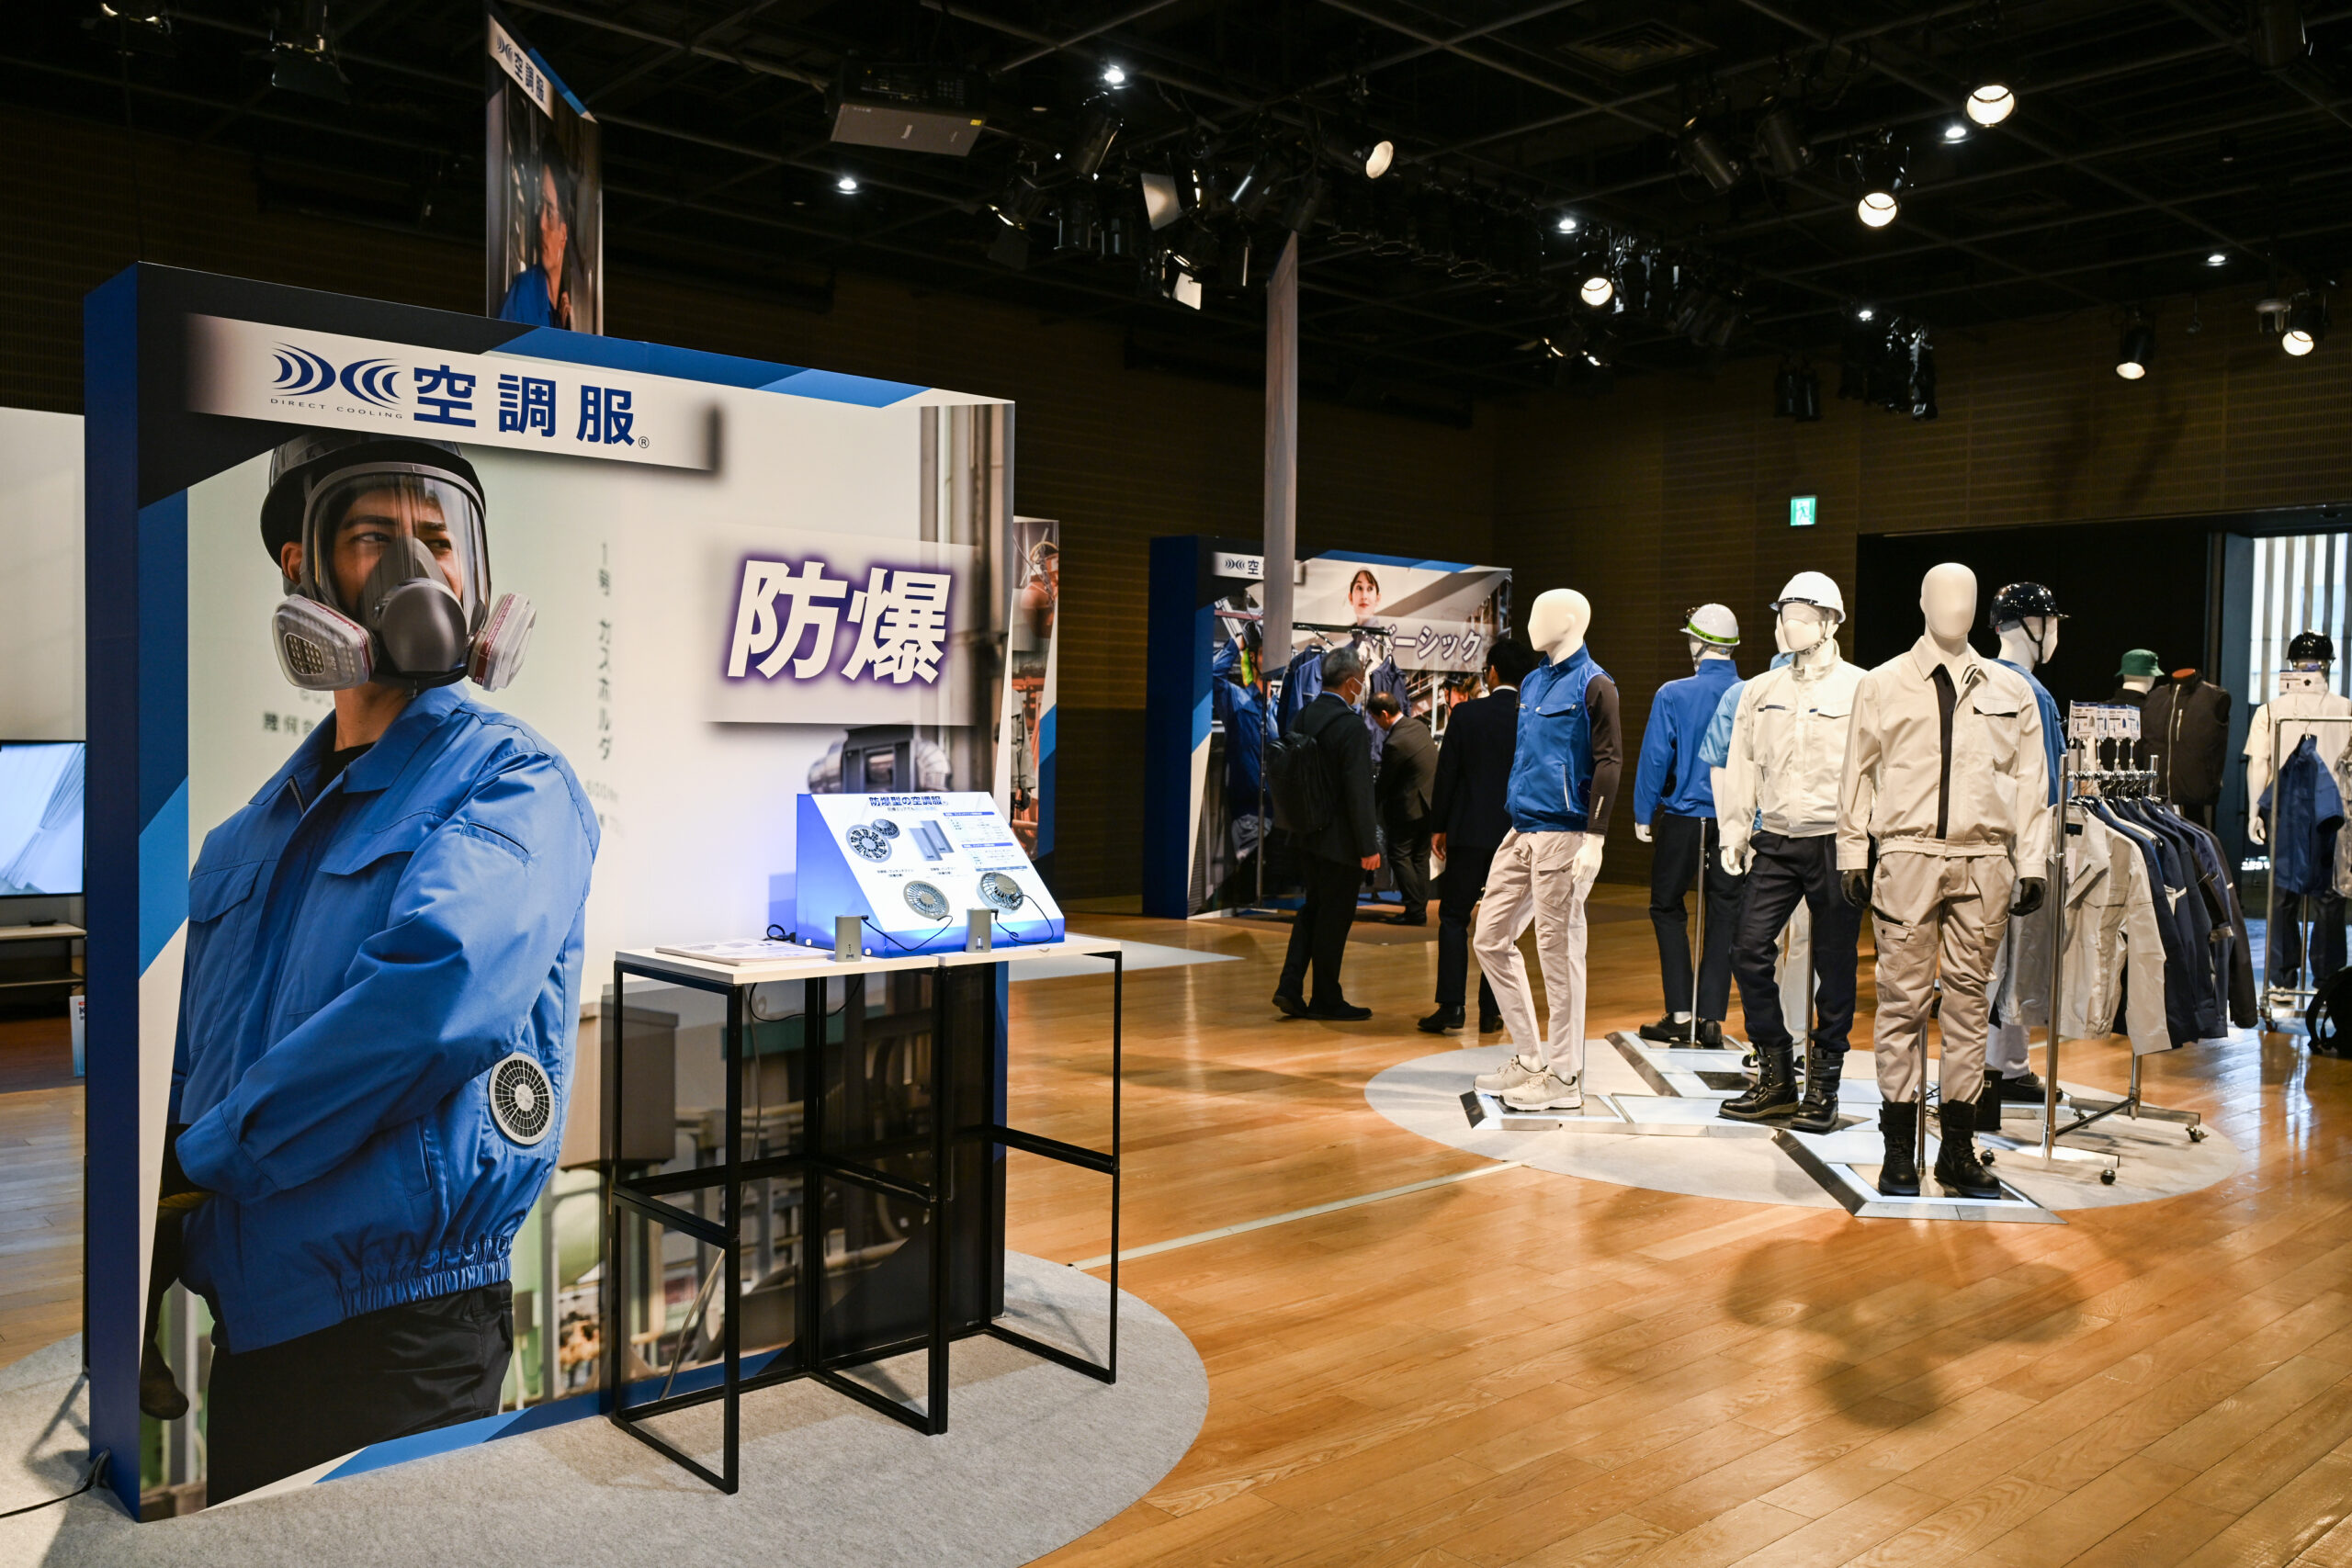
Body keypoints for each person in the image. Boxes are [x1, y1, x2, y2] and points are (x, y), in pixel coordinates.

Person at [155, 431, 596, 1502]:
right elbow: (189, 1067)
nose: (416, 568)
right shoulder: (240, 842)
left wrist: (210, 1158)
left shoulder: (510, 782)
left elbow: (434, 997)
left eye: (437, 540)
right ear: (301, 568)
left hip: (407, 1330)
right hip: (252, 1331)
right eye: (372, 535)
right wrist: (144, 1275)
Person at [1420, 638, 1536, 1033]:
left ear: (1492, 672)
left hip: (1468, 831)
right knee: (1500, 925)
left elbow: (1447, 773)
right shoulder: (1532, 717)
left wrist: (1439, 826)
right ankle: (1493, 1011)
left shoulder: (1466, 714)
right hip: (1516, 833)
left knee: (1454, 916)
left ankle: (1452, 1007)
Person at [1272, 644, 1382, 1021]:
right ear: (1351, 682)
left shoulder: (1303, 716)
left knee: (1313, 909)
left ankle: (1290, 985)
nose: (1362, 687)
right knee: (1335, 918)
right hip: (1340, 840)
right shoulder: (1350, 727)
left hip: (1305, 833)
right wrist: (1368, 845)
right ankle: (1326, 998)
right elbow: (1358, 791)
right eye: (1362, 680)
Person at [1369, 691, 1436, 924]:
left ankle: (1415, 911)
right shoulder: (1418, 727)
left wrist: (1369, 806)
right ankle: (1419, 908)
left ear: (1384, 714)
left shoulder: (1395, 743)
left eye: (1375, 719)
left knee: (1399, 855)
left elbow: (1385, 783)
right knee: (1420, 857)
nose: (1376, 724)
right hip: (1429, 804)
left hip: (1408, 809)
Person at [499, 161, 576, 329]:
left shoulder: (566, 311)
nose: (541, 224)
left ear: (564, 234)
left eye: (550, 213)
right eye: (541, 205)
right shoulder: (524, 292)